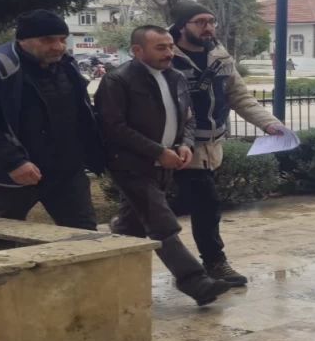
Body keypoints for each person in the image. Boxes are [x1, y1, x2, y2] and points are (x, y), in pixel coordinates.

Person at [95, 25, 232, 306]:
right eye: (161, 47)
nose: (169, 52)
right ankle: (195, 282)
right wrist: (158, 151)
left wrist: (185, 144)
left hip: (166, 163)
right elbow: (113, 127)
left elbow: (189, 119)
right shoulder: (117, 80)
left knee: (132, 224)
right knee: (161, 221)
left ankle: (114, 280)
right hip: (130, 164)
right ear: (137, 50)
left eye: (170, 46)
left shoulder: (176, 77)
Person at [168, 1, 288, 287]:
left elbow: (240, 97)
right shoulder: (165, 56)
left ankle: (207, 265)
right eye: (200, 22)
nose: (208, 27)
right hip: (171, 146)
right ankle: (210, 264)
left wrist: (270, 124)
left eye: (211, 21)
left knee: (201, 206)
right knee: (201, 204)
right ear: (182, 26)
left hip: (207, 147)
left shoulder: (220, 58)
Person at [0, 10, 104, 230]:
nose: (58, 46)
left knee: (84, 234)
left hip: (66, 170)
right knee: (7, 233)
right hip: (13, 174)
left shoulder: (68, 65)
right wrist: (13, 162)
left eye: (62, 40)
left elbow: (82, 113)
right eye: (47, 40)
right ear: (23, 40)